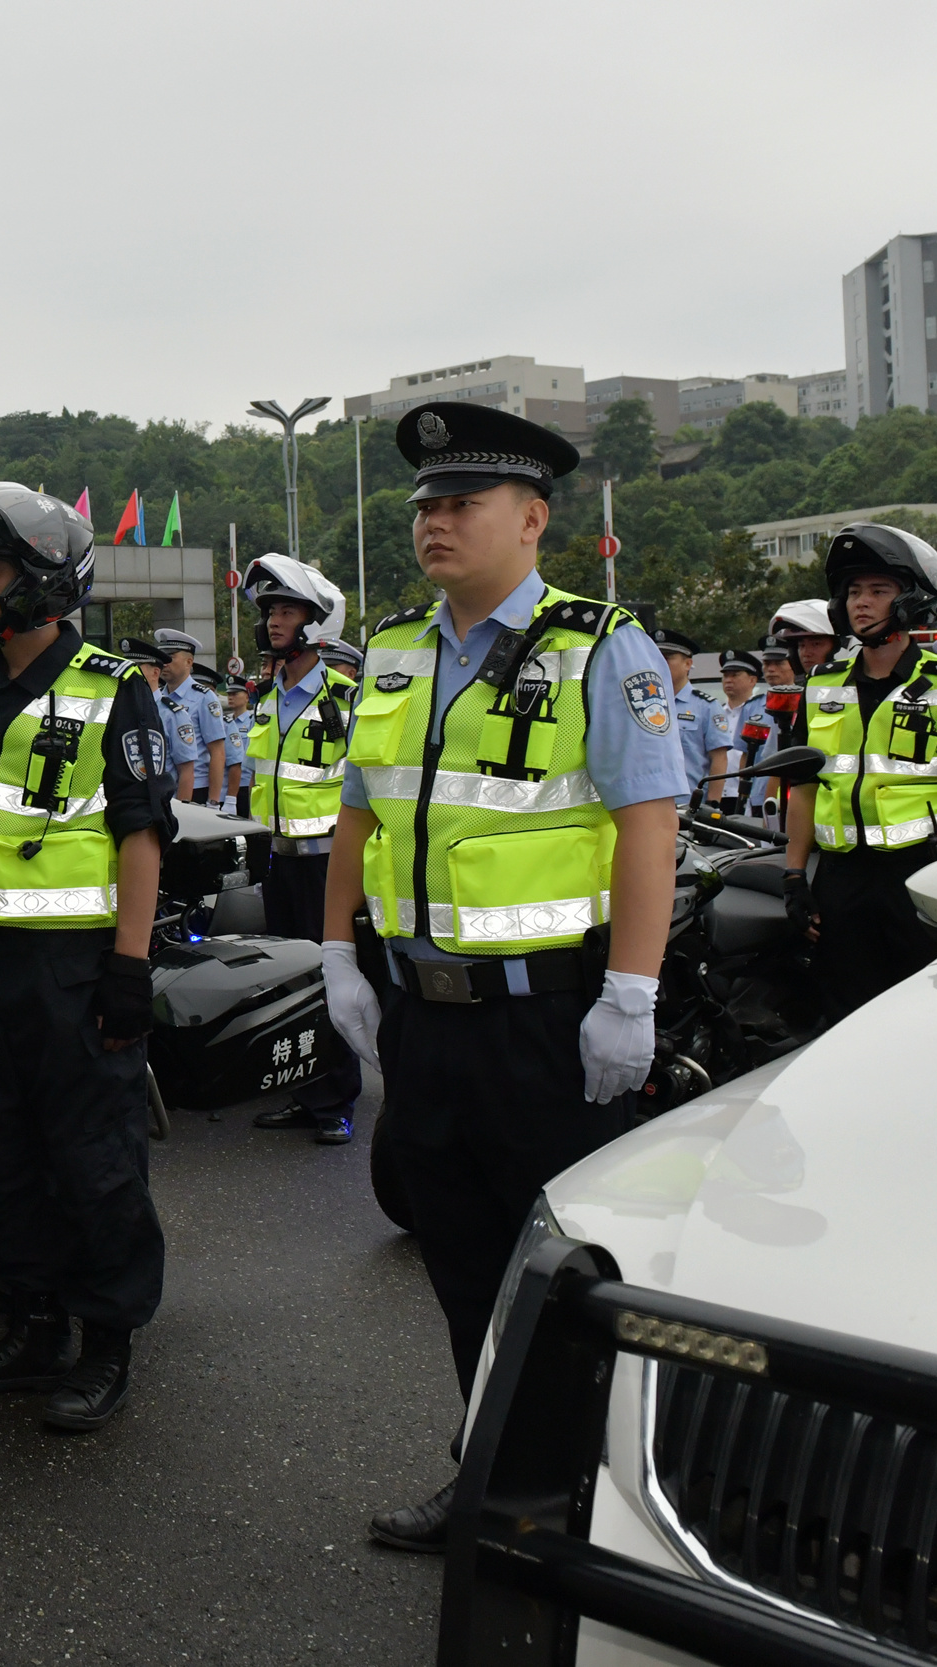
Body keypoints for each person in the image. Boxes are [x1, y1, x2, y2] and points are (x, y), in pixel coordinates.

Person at [321, 402, 689, 1551]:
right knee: (463, 1258)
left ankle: (590, 1496)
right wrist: (338, 950)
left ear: (529, 520)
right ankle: (493, 1472)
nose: (434, 521)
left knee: (563, 1269)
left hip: (546, 1016)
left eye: (459, 503)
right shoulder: (391, 649)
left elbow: (647, 824)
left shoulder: (597, 644)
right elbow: (354, 819)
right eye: (425, 504)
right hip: (422, 1018)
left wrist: (630, 993)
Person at [0, 482, 172, 1433]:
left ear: (43, 581)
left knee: (94, 1161)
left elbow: (142, 834)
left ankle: (106, 1340)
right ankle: (32, 1324)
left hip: (74, 963)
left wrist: (130, 967)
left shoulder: (114, 688)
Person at [781, 525, 937, 1024]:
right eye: (854, 591)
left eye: (879, 591)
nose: (862, 603)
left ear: (911, 601)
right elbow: (804, 786)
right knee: (842, 1018)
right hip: (841, 879)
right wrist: (794, 875)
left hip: (922, 876)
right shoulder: (820, 685)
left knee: (929, 1017)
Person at [236, 554, 365, 1145]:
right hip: (275, 861)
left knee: (330, 977)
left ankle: (336, 1099)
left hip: (328, 864)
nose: (274, 622)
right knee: (289, 981)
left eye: (286, 610)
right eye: (270, 613)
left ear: (317, 622)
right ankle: (302, 1089)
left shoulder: (345, 698)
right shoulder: (265, 697)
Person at [649, 628, 721, 816]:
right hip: (649, 803)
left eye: (668, 657)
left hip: (688, 805)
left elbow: (719, 758)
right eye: (655, 655)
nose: (659, 662)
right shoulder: (642, 704)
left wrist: (713, 803)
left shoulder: (705, 706)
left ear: (688, 663)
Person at [154, 628, 226, 805]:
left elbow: (217, 751)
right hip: (165, 786)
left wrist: (214, 801)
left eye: (170, 657)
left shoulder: (203, 697)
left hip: (197, 788)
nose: (164, 663)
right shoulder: (158, 698)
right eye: (161, 657)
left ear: (188, 661)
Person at [709, 649, 775, 815]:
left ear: (752, 679)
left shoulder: (761, 711)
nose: (728, 680)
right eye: (726, 676)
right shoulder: (714, 713)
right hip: (716, 794)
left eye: (735, 675)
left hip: (745, 794)